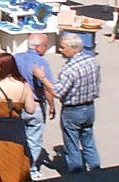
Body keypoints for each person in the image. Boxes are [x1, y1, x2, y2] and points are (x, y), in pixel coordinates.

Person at [33, 34, 101, 173]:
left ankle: (77, 177)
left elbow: (57, 92)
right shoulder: (92, 61)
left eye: (63, 48)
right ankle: (96, 172)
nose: (60, 50)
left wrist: (42, 78)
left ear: (74, 48)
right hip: (89, 108)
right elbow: (97, 82)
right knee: (89, 142)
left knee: (72, 146)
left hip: (73, 111)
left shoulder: (69, 69)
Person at [0, 52, 36, 182]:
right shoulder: (24, 86)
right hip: (16, 131)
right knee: (16, 166)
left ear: (2, 67)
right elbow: (30, 109)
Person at [13, 34, 56, 181]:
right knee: (34, 138)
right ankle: (31, 169)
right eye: (45, 45)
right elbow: (47, 89)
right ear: (38, 47)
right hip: (35, 105)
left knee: (19, 136)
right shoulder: (41, 63)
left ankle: (17, 164)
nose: (46, 48)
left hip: (17, 103)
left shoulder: (16, 58)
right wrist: (52, 106)